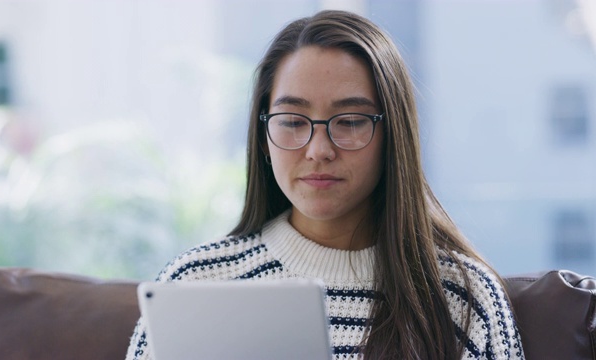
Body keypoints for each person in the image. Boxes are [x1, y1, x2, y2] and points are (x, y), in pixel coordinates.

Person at [126, 10, 524, 360]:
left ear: (393, 138)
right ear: (264, 136)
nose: (318, 150)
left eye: (350, 122)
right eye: (293, 122)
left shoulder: (461, 297)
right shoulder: (193, 285)